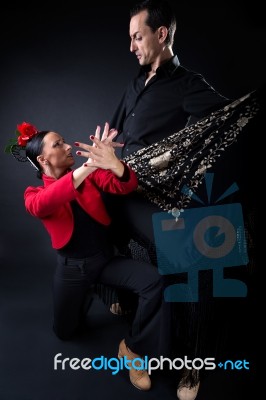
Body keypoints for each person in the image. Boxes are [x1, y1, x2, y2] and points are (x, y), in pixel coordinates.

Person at [103, 1, 232, 399]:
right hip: (123, 190)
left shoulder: (189, 84)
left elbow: (223, 122)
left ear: (161, 35)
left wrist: (175, 161)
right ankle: (124, 300)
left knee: (200, 255)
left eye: (137, 37)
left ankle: (192, 364)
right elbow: (115, 132)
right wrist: (102, 150)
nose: (131, 47)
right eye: (129, 38)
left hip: (158, 195)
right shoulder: (135, 84)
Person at [5, 120, 164, 392]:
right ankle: (94, 293)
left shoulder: (91, 175)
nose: (68, 146)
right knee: (66, 333)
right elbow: (45, 203)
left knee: (155, 282)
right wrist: (88, 166)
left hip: (105, 261)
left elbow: (125, 186)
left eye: (64, 141)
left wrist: (113, 164)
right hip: (72, 270)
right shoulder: (35, 193)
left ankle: (133, 349)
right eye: (59, 144)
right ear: (43, 159)